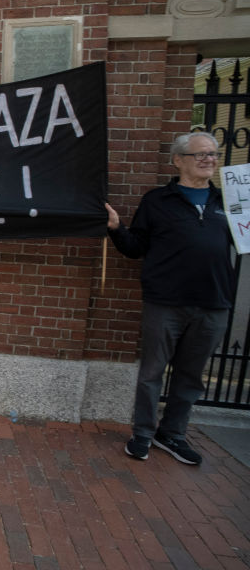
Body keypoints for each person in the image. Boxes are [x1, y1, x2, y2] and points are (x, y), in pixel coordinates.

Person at [107, 132, 237, 465]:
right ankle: (143, 434)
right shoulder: (158, 201)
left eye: (213, 153)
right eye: (201, 154)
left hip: (213, 302)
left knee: (190, 377)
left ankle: (173, 434)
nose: (209, 159)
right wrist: (116, 228)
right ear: (178, 160)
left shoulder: (229, 202)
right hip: (165, 302)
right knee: (152, 372)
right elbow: (136, 247)